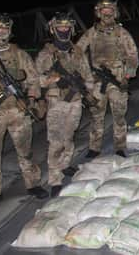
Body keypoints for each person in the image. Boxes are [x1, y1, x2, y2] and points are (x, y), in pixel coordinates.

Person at [0, 13, 48, 209]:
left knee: (25, 153)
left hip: (18, 112)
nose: (1, 32)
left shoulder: (20, 54)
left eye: (4, 28)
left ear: (9, 30)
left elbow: (33, 80)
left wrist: (30, 98)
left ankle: (33, 184)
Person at [36, 12, 95, 196]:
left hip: (75, 100)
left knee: (69, 136)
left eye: (67, 27)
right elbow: (35, 78)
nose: (64, 30)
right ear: (53, 29)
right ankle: (55, 179)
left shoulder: (77, 51)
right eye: (60, 27)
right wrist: (53, 79)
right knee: (55, 141)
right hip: (56, 102)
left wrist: (89, 92)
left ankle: (65, 164)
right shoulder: (46, 53)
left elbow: (87, 74)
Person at [77, 0, 138, 158]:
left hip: (117, 79)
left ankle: (120, 146)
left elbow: (133, 56)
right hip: (97, 81)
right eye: (104, 10)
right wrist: (86, 75)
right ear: (98, 12)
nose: (107, 12)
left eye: (110, 9)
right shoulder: (91, 33)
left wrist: (127, 75)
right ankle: (94, 147)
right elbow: (77, 53)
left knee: (119, 115)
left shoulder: (121, 33)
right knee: (96, 115)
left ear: (115, 12)